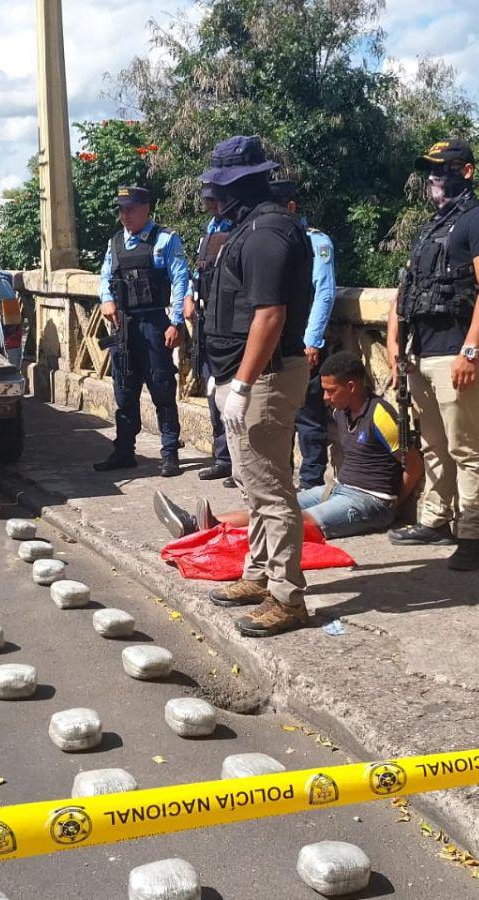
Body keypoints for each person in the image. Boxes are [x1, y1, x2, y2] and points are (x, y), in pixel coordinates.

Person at [201, 135, 313, 638]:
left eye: (222, 186)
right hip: (246, 373)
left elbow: (270, 315)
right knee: (252, 485)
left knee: (271, 490)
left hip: (266, 376)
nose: (216, 196)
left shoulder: (267, 231)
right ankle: (259, 573)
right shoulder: (249, 227)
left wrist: (243, 383)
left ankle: (287, 598)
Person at [385, 138, 479, 572]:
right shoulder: (431, 228)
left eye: (443, 169)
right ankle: (435, 518)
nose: (435, 178)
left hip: (457, 351)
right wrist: (394, 342)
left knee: (465, 446)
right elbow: (407, 287)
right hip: (421, 352)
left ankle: (472, 534)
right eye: (431, 171)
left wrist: (470, 351)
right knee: (433, 444)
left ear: (467, 171)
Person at [155, 351, 423, 542]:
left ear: (351, 386)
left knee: (292, 521)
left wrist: (392, 505)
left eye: (331, 391)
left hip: (369, 501)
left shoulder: (380, 414)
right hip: (339, 489)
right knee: (274, 506)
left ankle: (216, 534)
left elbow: (413, 464)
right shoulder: (341, 412)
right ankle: (197, 525)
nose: (326, 397)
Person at [94, 185, 191, 478]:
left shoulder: (165, 239)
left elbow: (180, 280)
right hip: (123, 326)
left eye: (130, 209)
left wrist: (175, 322)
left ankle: (170, 452)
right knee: (124, 391)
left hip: (153, 323)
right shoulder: (115, 243)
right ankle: (124, 451)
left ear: (146, 208)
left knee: (162, 388)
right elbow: (105, 277)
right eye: (121, 210)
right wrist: (106, 299)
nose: (125, 215)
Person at [269, 179, 337, 489]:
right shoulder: (270, 239)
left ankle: (311, 484)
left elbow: (324, 293)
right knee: (277, 418)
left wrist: (312, 341)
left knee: (308, 417)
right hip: (275, 343)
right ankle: (281, 480)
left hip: (302, 342)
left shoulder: (315, 242)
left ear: (291, 207)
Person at [183, 183, 235, 485]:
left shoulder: (238, 228)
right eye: (207, 200)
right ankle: (222, 458)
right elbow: (199, 271)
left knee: (232, 399)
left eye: (214, 200)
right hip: (207, 324)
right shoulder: (210, 229)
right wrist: (189, 296)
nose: (210, 205)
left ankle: (236, 463)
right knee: (214, 395)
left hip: (229, 326)